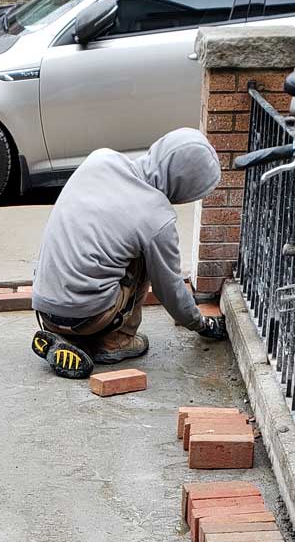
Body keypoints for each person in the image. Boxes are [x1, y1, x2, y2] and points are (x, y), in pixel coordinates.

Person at [31, 128, 228, 380]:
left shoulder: (100, 159)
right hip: (89, 317)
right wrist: (201, 324)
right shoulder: (156, 217)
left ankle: (63, 338)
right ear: (185, 186)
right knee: (147, 259)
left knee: (104, 246)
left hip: (45, 307)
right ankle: (115, 342)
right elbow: (168, 289)